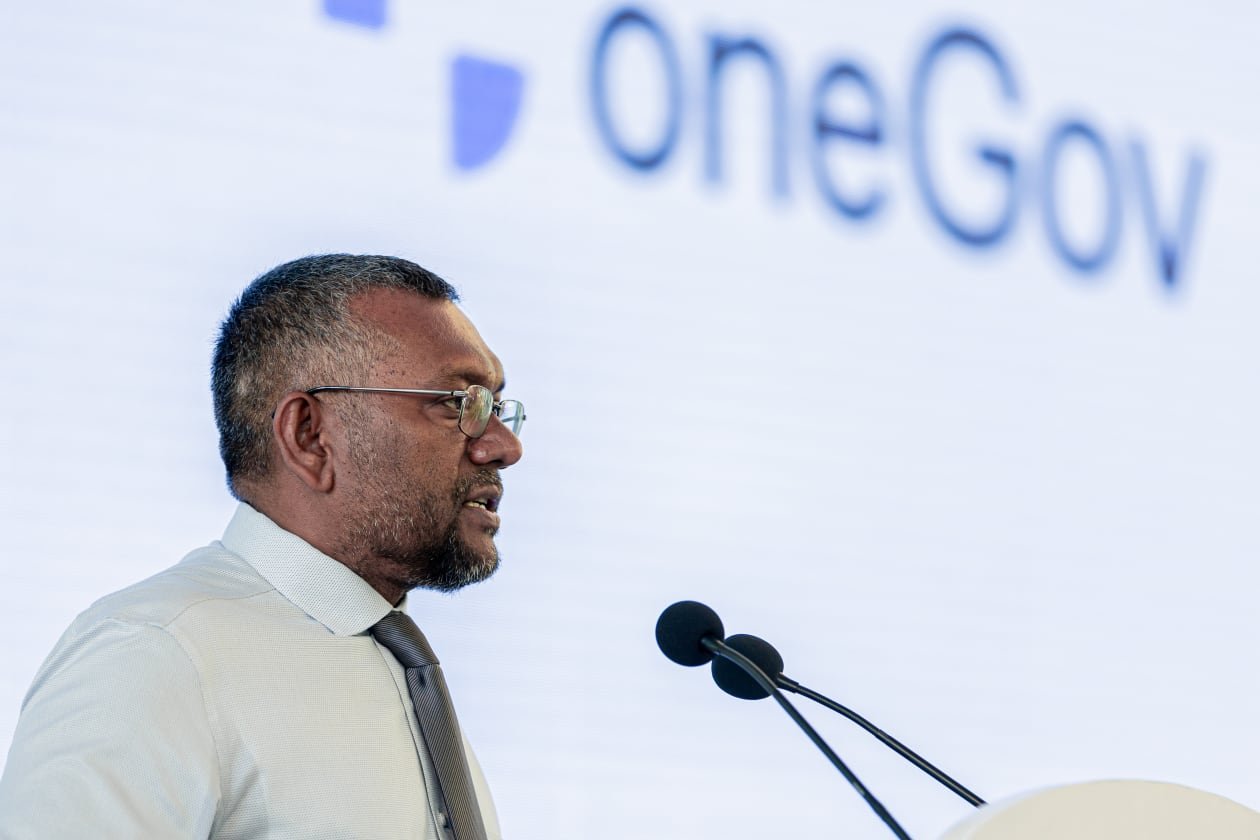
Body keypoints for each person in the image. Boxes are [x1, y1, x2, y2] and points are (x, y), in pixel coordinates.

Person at [0, 254, 524, 839]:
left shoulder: (402, 670)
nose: (504, 447)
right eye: (459, 404)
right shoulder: (155, 657)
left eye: (498, 408)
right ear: (309, 436)